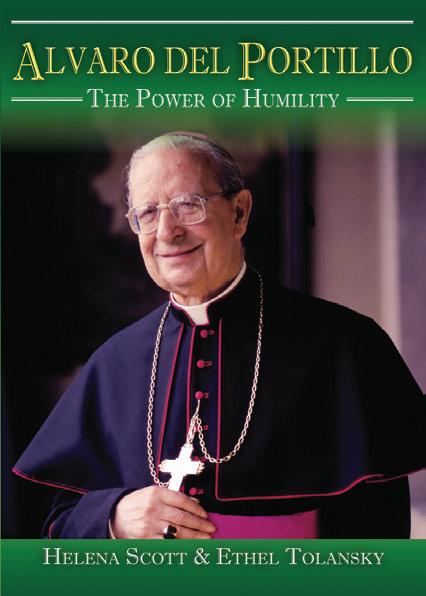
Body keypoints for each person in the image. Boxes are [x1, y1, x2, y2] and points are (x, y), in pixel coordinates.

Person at [13, 132, 425, 539]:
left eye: (188, 205)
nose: (167, 231)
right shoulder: (114, 363)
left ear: (239, 213)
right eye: (148, 213)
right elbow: (59, 524)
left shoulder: (345, 345)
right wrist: (114, 518)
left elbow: (380, 536)